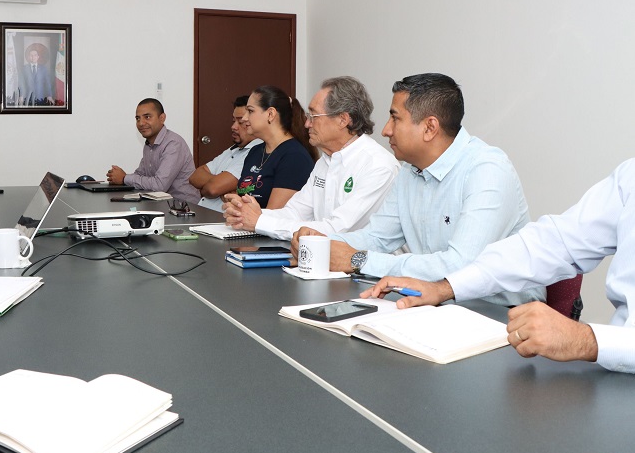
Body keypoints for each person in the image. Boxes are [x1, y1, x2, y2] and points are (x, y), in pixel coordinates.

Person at [362, 159, 635, 373]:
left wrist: (586, 340)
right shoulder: (629, 177)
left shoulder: (488, 169)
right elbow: (551, 244)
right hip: (609, 377)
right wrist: (445, 288)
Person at [307, 73, 543, 307]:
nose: (386, 130)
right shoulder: (411, 170)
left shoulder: (488, 170)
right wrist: (319, 243)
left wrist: (359, 260)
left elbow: (460, 266)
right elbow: (377, 237)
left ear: (430, 127)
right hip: (438, 304)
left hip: (502, 314)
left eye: (395, 119)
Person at [225, 77, 399, 239]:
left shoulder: (378, 165)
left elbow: (336, 229)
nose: (307, 123)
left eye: (313, 116)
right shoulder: (326, 161)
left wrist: (259, 221)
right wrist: (246, 213)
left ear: (343, 120)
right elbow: (295, 211)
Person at [224, 85, 316, 210]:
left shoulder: (294, 157)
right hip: (246, 228)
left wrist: (241, 208)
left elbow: (274, 217)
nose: (244, 118)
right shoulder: (255, 152)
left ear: (271, 114)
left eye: (250, 111)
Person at [107, 97, 201, 204]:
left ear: (162, 118)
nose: (141, 123)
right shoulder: (149, 145)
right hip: (161, 205)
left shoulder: (173, 144)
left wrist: (124, 178)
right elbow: (140, 174)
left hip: (184, 208)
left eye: (147, 117)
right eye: (138, 118)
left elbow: (159, 185)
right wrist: (119, 179)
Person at [189, 95, 261, 212]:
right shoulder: (233, 149)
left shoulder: (258, 152)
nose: (233, 127)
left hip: (222, 221)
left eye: (240, 121)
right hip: (202, 213)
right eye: (233, 121)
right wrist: (220, 186)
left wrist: (212, 187)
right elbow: (194, 176)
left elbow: (213, 189)